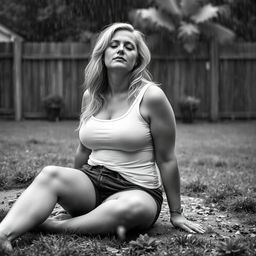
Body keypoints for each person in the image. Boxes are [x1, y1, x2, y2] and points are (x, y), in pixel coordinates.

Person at [0, 22, 205, 253]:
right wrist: (69, 194)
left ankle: (52, 226)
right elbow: (83, 150)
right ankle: (3, 234)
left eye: (129, 47)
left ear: (137, 58)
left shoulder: (151, 97)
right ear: (103, 53)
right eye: (114, 45)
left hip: (137, 189)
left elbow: (167, 158)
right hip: (92, 181)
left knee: (131, 208)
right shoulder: (91, 96)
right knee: (50, 174)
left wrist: (176, 213)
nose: (120, 50)